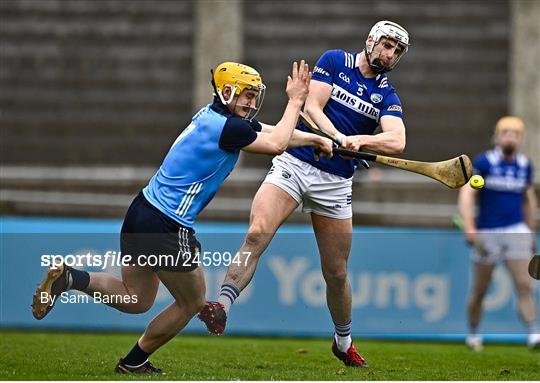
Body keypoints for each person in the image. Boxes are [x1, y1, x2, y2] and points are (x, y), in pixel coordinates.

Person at [31, 60, 333, 374]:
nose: (251, 102)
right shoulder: (230, 128)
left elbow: (268, 131)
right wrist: (296, 101)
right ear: (226, 91)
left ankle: (69, 278)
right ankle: (134, 362)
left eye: (255, 96)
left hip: (141, 211)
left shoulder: (213, 116)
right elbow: (276, 143)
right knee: (191, 303)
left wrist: (313, 139)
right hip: (167, 224)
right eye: (245, 94)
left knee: (136, 298)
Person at [199, 20, 410, 368]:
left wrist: (364, 141)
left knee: (336, 272)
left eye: (398, 51)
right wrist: (341, 138)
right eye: (387, 45)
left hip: (336, 183)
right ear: (371, 41)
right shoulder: (335, 61)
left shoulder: (386, 95)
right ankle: (222, 305)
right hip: (294, 164)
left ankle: (343, 341)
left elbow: (397, 140)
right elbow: (311, 108)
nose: (391, 54)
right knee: (256, 233)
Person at [458, 116, 539, 351]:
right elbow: (468, 193)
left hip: (516, 230)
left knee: (525, 284)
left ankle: (534, 332)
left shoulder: (524, 165)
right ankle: (473, 333)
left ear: (521, 138)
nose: (510, 137)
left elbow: (527, 199)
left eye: (515, 133)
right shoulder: (486, 163)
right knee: (480, 289)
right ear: (497, 136)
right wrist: (469, 226)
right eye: (506, 133)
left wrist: (530, 230)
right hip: (488, 231)